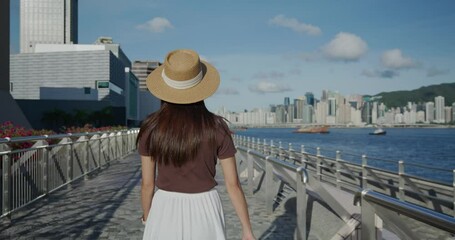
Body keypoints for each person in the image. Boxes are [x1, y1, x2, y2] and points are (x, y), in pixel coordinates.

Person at [137, 49, 255, 240]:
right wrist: (247, 230)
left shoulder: (152, 127)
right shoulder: (216, 126)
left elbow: (147, 184)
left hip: (164, 207)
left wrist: (147, 216)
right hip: (205, 207)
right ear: (201, 87)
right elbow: (233, 185)